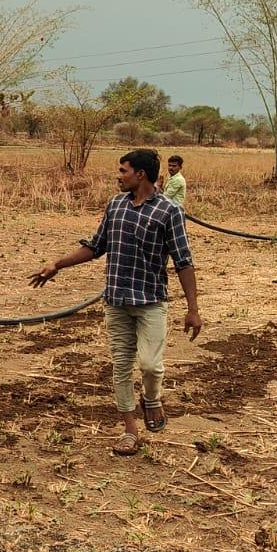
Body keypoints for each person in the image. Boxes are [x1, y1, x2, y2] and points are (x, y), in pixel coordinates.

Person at [29, 148, 201, 456]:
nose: (118, 176)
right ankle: (130, 431)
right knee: (121, 367)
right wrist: (57, 264)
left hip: (151, 301)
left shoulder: (168, 211)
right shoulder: (115, 205)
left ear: (141, 175)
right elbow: (96, 247)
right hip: (116, 301)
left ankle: (151, 399)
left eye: (123, 171)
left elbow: (183, 261)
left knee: (150, 365)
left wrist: (193, 309)